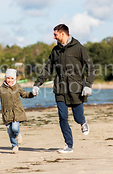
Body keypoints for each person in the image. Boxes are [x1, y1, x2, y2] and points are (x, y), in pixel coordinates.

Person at [32, 24, 95, 153]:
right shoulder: (55, 51)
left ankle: (82, 121)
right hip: (60, 89)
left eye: (55, 34)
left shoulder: (78, 48)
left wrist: (88, 85)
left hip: (75, 89)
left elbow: (90, 67)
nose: (54, 37)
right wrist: (37, 84)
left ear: (63, 34)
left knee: (77, 117)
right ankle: (69, 145)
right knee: (62, 117)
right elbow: (47, 69)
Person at [0, 69, 35, 154]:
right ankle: (14, 146)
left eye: (12, 78)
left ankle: (18, 134)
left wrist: (32, 94)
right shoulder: (1, 89)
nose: (10, 80)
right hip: (6, 113)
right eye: (8, 78)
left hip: (17, 112)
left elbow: (25, 94)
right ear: (5, 78)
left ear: (14, 79)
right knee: (10, 130)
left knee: (14, 128)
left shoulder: (18, 87)